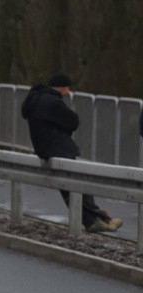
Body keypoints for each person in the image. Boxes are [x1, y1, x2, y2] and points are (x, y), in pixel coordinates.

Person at [20, 72, 122, 232]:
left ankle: (98, 219)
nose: (67, 92)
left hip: (45, 148)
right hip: (59, 148)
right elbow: (73, 121)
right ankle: (96, 220)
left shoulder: (36, 99)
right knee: (77, 186)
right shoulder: (52, 101)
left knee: (71, 189)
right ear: (61, 87)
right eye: (67, 88)